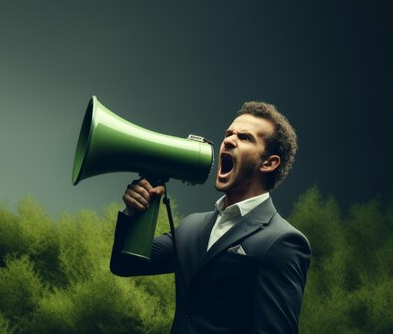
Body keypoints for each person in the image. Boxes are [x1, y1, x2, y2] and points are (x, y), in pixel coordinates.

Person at [110, 101, 311, 333]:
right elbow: (125, 263)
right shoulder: (192, 226)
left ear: (269, 163)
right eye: (229, 134)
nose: (228, 140)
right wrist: (136, 211)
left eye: (245, 138)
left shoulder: (282, 242)